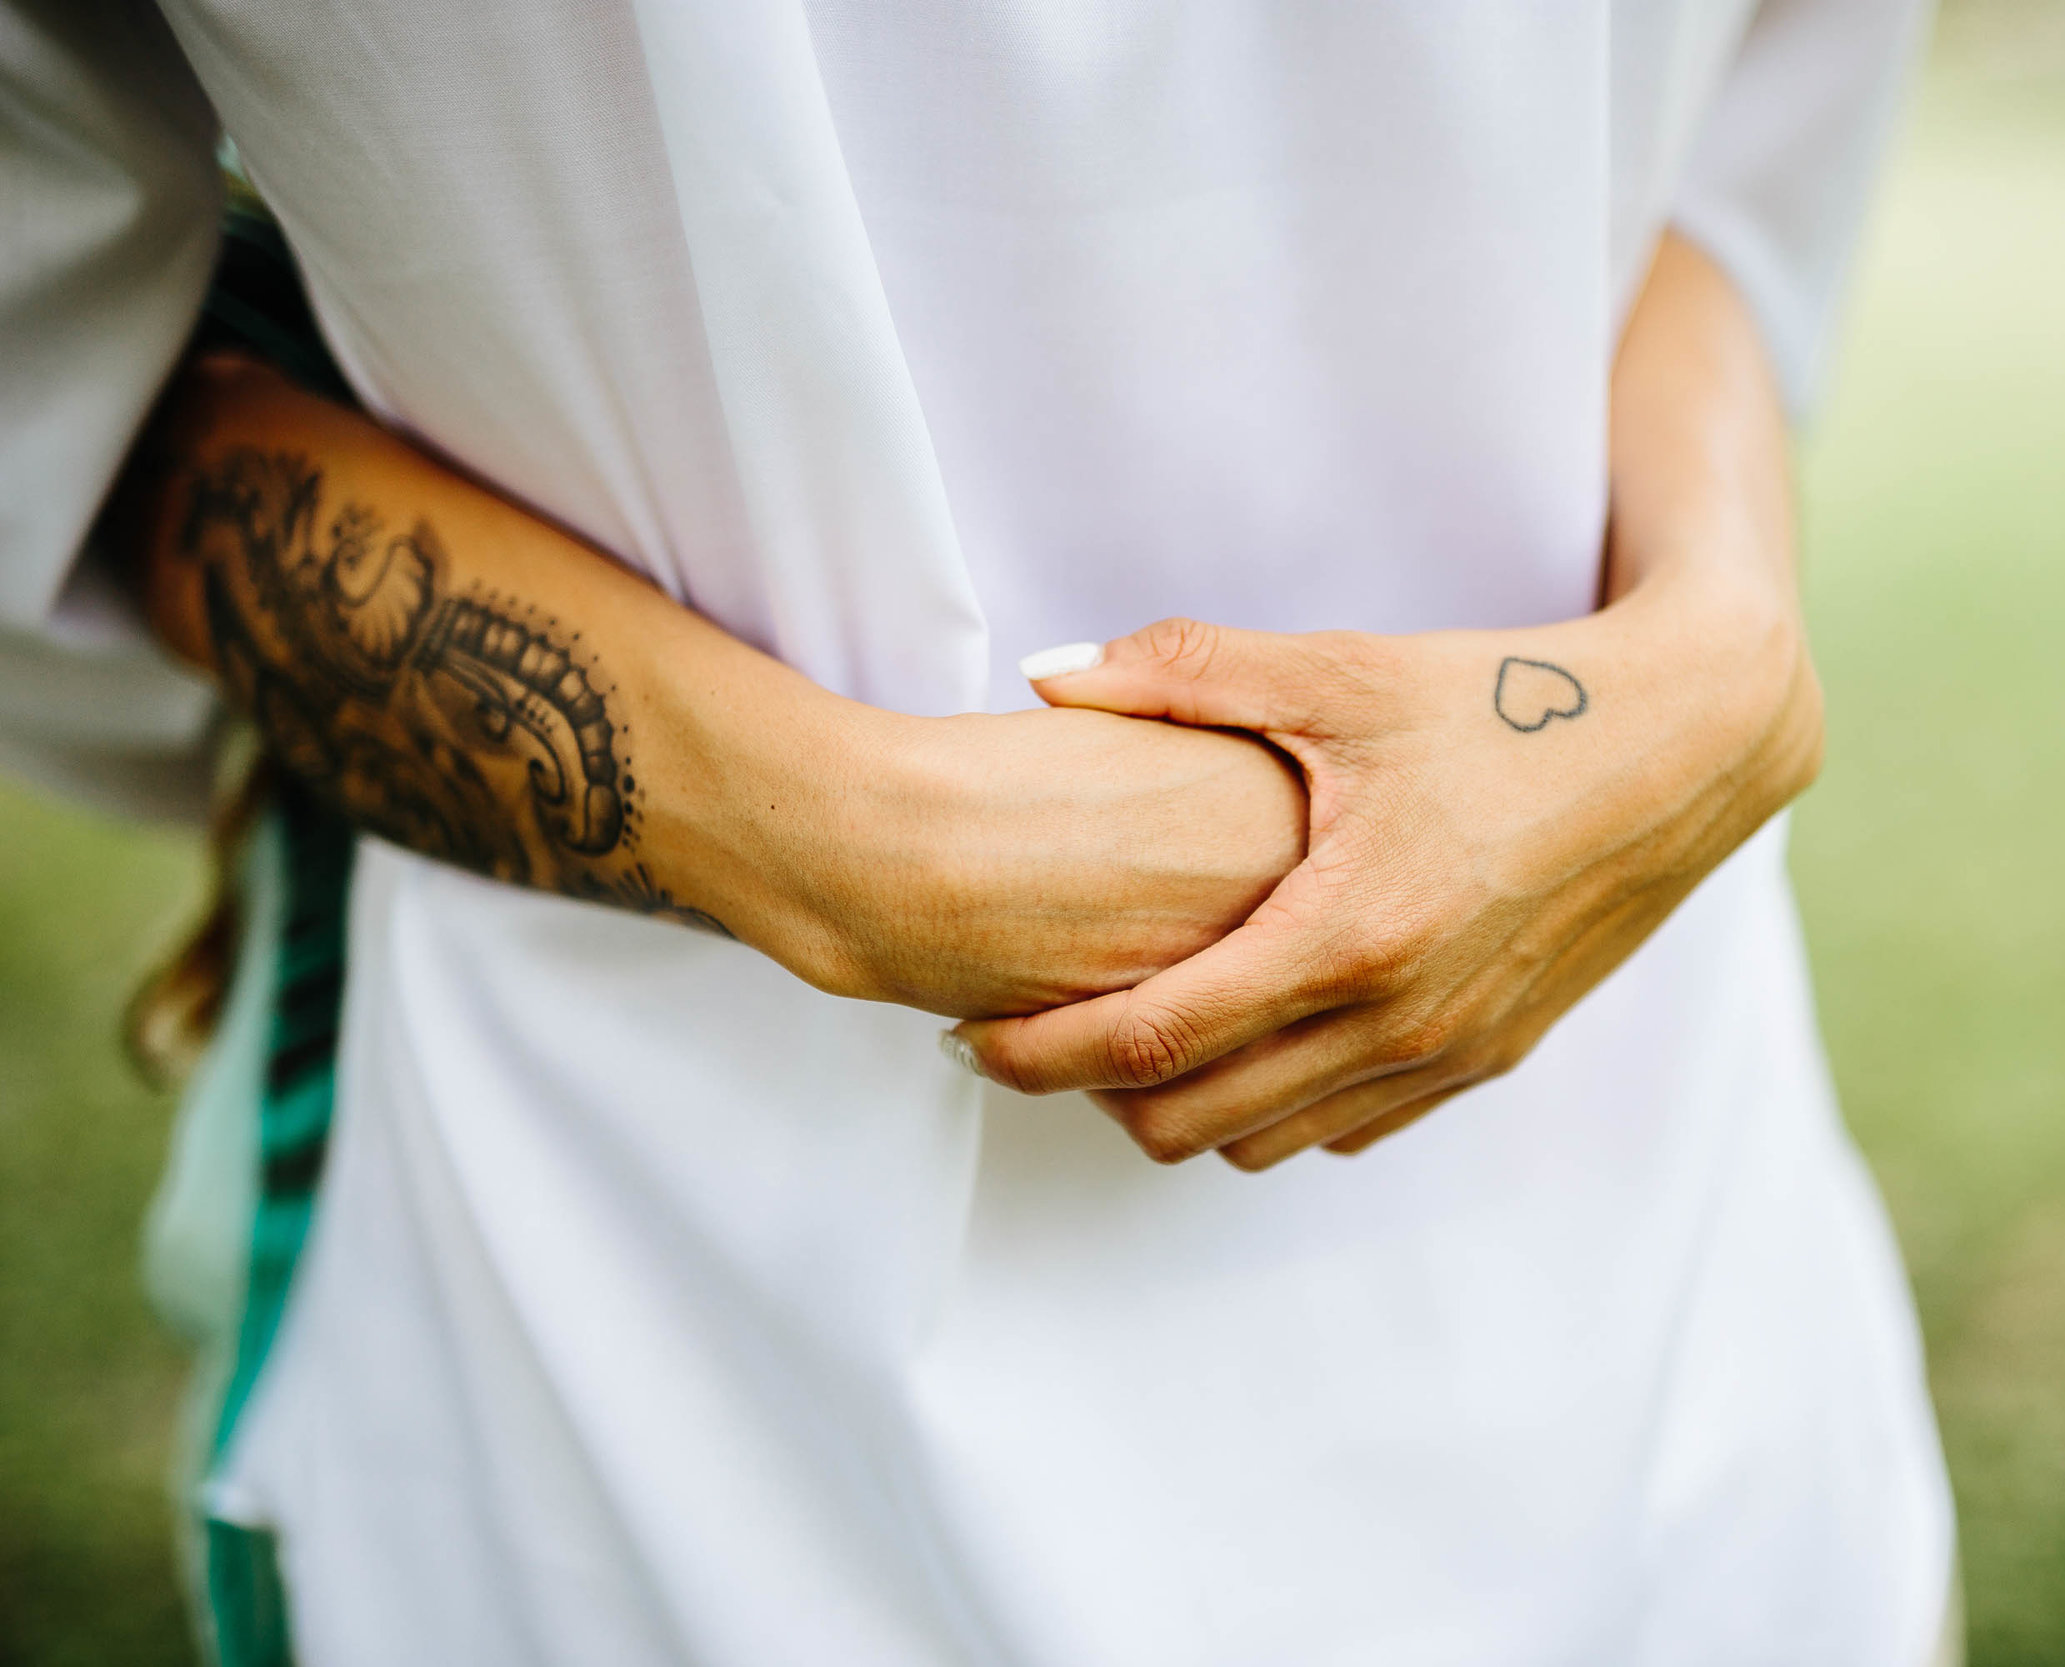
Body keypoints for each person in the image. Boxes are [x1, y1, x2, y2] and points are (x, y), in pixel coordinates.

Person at [0, 0, 1956, 1661]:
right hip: (652, 1320)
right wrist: (854, 836)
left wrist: (1722, 651)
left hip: (1627, 1259)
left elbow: (1698, 152)